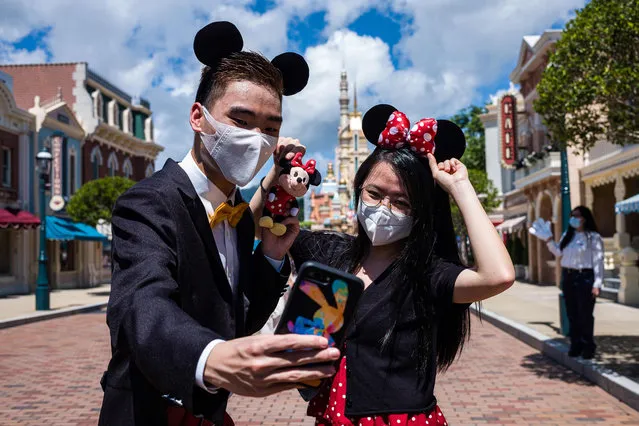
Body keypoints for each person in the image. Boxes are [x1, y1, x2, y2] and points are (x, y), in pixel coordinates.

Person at [98, 22, 340, 426]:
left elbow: (237, 318)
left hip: (211, 413)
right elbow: (141, 306)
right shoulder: (148, 202)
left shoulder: (240, 215)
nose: (256, 139)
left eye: (270, 129)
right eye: (241, 121)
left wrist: (270, 257)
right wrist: (210, 357)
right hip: (147, 413)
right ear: (198, 116)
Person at [251, 104, 516, 425]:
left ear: (421, 210)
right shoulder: (331, 253)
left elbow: (498, 276)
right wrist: (274, 173)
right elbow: (256, 227)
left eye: (401, 201)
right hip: (335, 416)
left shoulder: (426, 275)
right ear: (358, 190)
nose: (383, 208)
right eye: (374, 194)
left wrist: (460, 187)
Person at [529, 206, 604, 359]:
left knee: (585, 314)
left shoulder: (593, 237)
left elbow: (598, 261)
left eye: (577, 216)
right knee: (572, 313)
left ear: (584, 218)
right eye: (572, 215)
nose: (574, 219)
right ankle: (575, 344)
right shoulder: (568, 235)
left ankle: (588, 345)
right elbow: (558, 252)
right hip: (569, 276)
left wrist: (597, 283)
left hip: (585, 277)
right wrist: (549, 239)